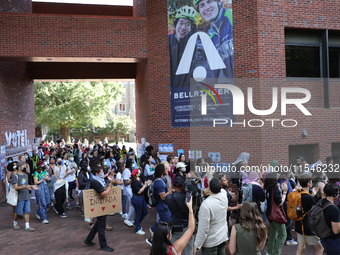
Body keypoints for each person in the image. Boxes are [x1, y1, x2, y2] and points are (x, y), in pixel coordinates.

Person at [194, 0, 234, 80]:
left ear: (219, 1)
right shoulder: (210, 38)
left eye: (209, 1)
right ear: (199, 12)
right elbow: (213, 75)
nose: (206, 7)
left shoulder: (231, 16)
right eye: (202, 5)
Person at [83, 166, 117, 252]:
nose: (103, 173)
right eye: (102, 172)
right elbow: (104, 194)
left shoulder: (98, 181)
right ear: (97, 173)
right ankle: (103, 245)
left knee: (99, 223)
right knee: (102, 225)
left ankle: (88, 239)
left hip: (101, 205)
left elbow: (102, 188)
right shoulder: (95, 182)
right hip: (99, 206)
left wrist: (109, 181)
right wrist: (111, 185)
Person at [194, 178, 229, 255]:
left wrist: (197, 244)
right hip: (223, 237)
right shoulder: (224, 194)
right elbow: (222, 190)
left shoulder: (206, 204)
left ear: (209, 188)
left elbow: (203, 228)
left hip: (211, 243)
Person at [169, 6, 198, 88]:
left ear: (191, 28)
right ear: (175, 25)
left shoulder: (193, 45)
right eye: (181, 23)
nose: (183, 27)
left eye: (187, 24)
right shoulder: (166, 42)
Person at [294, 174, 324, 255]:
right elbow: (315, 210)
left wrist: (312, 195)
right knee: (320, 249)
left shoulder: (297, 193)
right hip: (308, 226)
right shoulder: (309, 198)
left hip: (299, 224)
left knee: (300, 248)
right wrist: (314, 196)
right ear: (308, 183)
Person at [166, 176, 194, 255]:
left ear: (173, 185)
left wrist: (171, 189)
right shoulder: (187, 198)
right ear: (183, 185)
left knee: (174, 251)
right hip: (186, 228)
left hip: (174, 228)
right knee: (189, 251)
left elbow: (165, 197)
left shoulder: (169, 198)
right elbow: (192, 209)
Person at [147, 164, 173, 246]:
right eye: (165, 168)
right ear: (162, 171)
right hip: (162, 206)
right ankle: (153, 231)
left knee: (163, 221)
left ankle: (156, 239)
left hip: (163, 206)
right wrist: (172, 189)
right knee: (167, 221)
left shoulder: (161, 180)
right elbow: (163, 197)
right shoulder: (159, 183)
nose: (167, 169)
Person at [264, 172, 288, 255]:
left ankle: (270, 252)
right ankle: (276, 253)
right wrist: (284, 192)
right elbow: (280, 202)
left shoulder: (268, 189)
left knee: (273, 234)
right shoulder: (275, 189)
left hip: (270, 214)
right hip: (276, 215)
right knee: (282, 235)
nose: (278, 177)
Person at [12, 162, 37, 232]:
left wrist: (32, 186)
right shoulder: (16, 176)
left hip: (27, 196)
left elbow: (26, 184)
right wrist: (25, 187)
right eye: (24, 166)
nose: (25, 168)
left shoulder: (26, 175)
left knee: (27, 211)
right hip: (20, 197)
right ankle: (15, 223)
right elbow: (16, 187)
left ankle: (27, 226)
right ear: (19, 167)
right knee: (17, 212)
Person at [320, 183, 340, 254]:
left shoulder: (321, 202)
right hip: (333, 240)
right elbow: (336, 230)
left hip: (323, 235)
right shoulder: (334, 209)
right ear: (334, 194)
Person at [131, 168, 152, 235]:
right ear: (136, 174)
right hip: (137, 198)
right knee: (138, 213)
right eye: (139, 172)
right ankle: (137, 228)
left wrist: (146, 185)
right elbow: (139, 191)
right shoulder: (134, 182)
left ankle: (137, 223)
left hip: (141, 198)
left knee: (145, 211)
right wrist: (145, 185)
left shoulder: (140, 180)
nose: (141, 172)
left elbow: (142, 188)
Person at [122, 158, 136, 227]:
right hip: (128, 190)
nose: (134, 164)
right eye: (132, 162)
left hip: (130, 189)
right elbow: (125, 182)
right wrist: (132, 181)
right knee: (132, 204)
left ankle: (130, 218)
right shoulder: (126, 171)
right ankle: (128, 219)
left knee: (132, 204)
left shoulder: (129, 170)